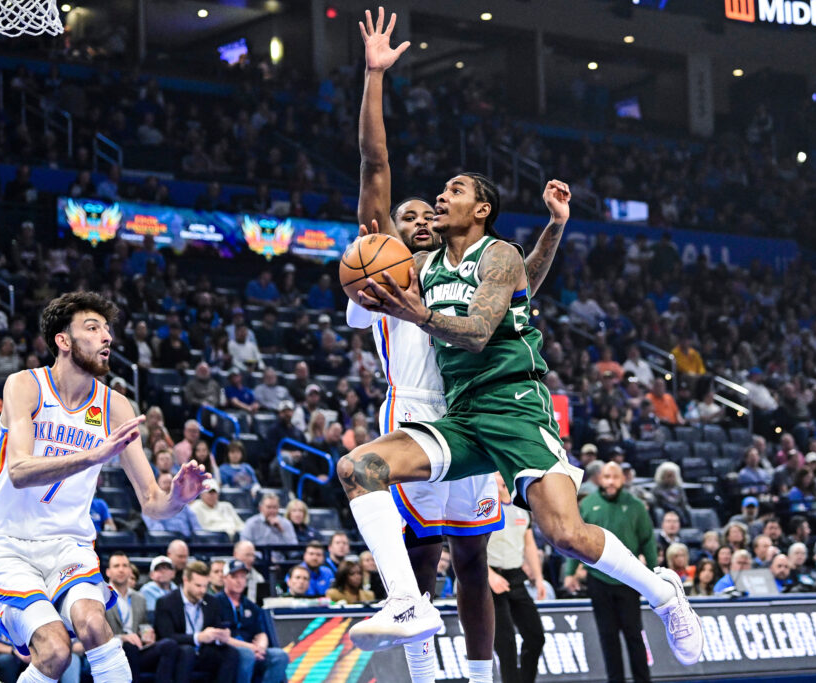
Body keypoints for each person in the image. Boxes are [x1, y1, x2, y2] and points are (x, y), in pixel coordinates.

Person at [345, 11, 573, 682]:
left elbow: (522, 283)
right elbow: (375, 164)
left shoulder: (463, 268)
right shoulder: (389, 267)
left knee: (473, 561)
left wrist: (553, 230)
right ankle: (421, 670)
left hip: (471, 411)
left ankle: (478, 677)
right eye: (407, 216)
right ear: (390, 231)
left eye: (429, 212)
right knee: (421, 556)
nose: (419, 219)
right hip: (416, 411)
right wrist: (374, 76)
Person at [0, 292, 209, 683]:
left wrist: (178, 499)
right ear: (63, 340)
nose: (107, 337)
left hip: (69, 542)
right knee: (55, 652)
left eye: (107, 329)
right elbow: (19, 470)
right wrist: (93, 455)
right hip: (8, 543)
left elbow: (152, 502)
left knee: (96, 626)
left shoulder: (116, 406)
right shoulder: (26, 385)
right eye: (93, 327)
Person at [564, 462, 656, 683]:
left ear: (623, 479)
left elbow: (647, 540)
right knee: (608, 636)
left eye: (615, 477)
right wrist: (570, 572)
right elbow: (574, 539)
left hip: (628, 579)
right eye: (607, 477)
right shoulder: (588, 505)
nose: (611, 481)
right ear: (599, 479)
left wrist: (653, 575)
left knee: (634, 634)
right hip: (598, 579)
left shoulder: (636, 506)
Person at [487, 472, 545, 683]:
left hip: (515, 576)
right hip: (489, 577)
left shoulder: (521, 504)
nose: (500, 478)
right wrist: (489, 575)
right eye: (495, 475)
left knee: (536, 637)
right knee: (505, 644)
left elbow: (529, 544)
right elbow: (470, 547)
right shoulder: (482, 506)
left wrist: (538, 577)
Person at [103, 551, 187, 682]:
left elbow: (143, 624)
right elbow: (97, 634)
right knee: (129, 647)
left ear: (130, 570)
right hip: (113, 650)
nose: (121, 570)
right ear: (108, 572)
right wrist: (123, 638)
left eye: (125, 566)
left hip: (138, 649)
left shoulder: (139, 598)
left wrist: (147, 634)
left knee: (169, 645)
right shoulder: (101, 597)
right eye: (116, 566)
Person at [153, 560, 238, 683]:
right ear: (186, 580)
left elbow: (216, 626)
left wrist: (221, 636)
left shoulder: (211, 602)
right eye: (198, 586)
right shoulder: (166, 602)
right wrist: (198, 637)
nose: (202, 590)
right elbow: (167, 636)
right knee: (187, 651)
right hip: (179, 650)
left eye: (205, 586)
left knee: (231, 653)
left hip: (203, 651)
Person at [214, 560, 289, 683]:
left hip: (252, 649)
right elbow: (221, 637)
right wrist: (251, 648)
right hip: (227, 649)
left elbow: (261, 633)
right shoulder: (215, 602)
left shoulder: (250, 605)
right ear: (224, 578)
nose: (239, 581)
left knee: (280, 656)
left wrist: (260, 648)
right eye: (234, 577)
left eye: (242, 577)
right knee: (246, 655)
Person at [240, 494, 297, 561]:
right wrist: (266, 558)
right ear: (261, 508)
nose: (272, 511)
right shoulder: (251, 523)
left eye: (275, 507)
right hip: (258, 562)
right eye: (269, 507)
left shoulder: (286, 524)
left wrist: (282, 531)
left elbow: (294, 550)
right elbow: (244, 547)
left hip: (282, 563)